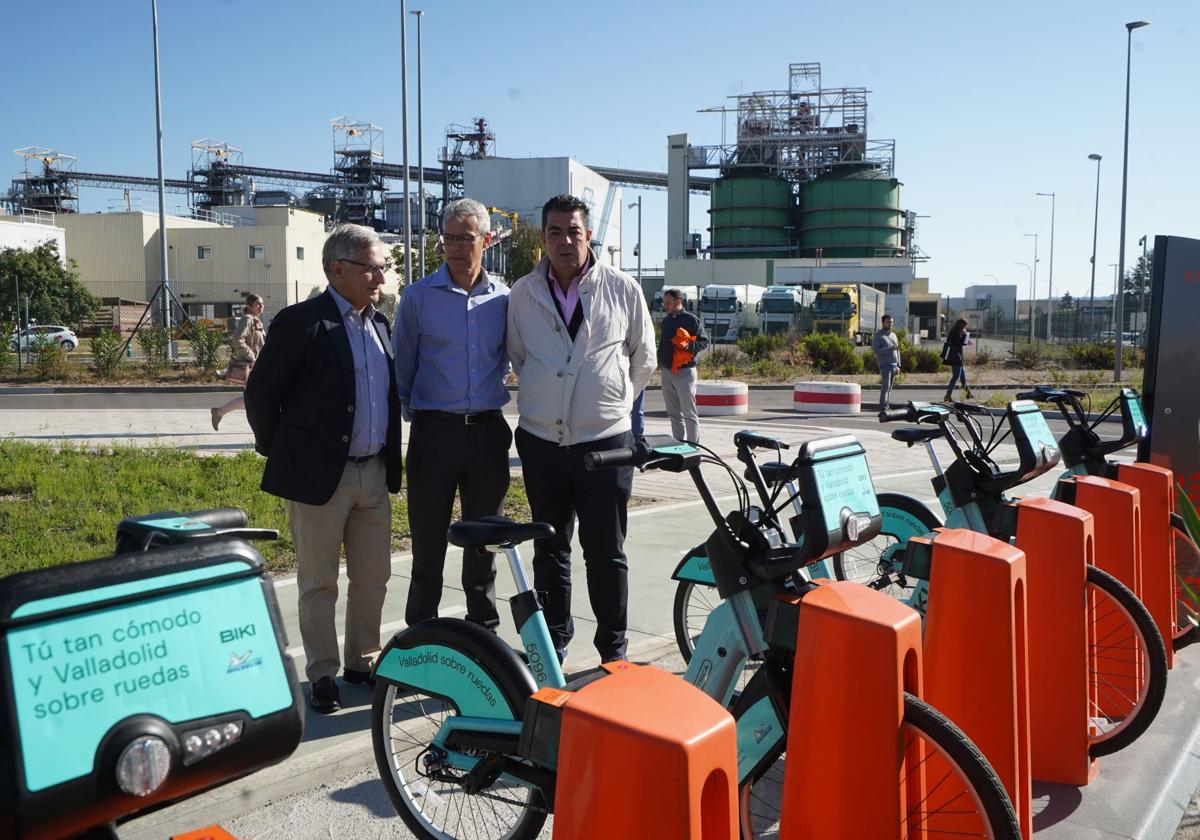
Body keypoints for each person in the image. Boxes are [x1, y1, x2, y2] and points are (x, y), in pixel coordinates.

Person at [244, 223, 404, 715]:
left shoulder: (380, 325)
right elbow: (261, 394)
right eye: (371, 267)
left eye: (382, 267)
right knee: (319, 582)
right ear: (338, 268)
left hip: (372, 474)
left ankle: (362, 661)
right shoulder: (302, 322)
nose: (380, 277)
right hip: (320, 479)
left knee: (373, 577)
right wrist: (284, 450)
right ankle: (321, 674)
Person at [507, 194, 656, 664]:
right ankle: (555, 643)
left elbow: (643, 358)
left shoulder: (622, 288)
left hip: (606, 444)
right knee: (550, 548)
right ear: (543, 239)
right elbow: (519, 357)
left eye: (574, 231)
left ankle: (613, 648)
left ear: (588, 235)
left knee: (606, 551)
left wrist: (608, 406)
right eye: (555, 232)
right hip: (542, 443)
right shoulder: (522, 294)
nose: (565, 241)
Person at [393, 198, 511, 632]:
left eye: (466, 238)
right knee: (427, 546)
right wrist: (422, 414)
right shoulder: (418, 297)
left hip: (486, 436)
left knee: (484, 545)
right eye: (449, 238)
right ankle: (421, 639)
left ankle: (485, 635)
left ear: (486, 239)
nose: (457, 247)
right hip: (434, 434)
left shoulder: (504, 298)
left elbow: (506, 358)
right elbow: (403, 364)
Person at [657, 288, 709, 443]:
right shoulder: (666, 322)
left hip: (685, 373)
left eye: (668, 303)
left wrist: (688, 345)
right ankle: (678, 444)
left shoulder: (691, 320)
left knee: (689, 414)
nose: (665, 305)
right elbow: (663, 344)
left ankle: (693, 447)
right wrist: (660, 360)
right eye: (664, 302)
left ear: (678, 302)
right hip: (667, 372)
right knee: (673, 414)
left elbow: (704, 342)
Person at [211, 294, 266, 430]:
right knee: (255, 397)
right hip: (251, 365)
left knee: (253, 397)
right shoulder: (248, 319)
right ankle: (219, 412)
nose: (261, 306)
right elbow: (237, 339)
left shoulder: (256, 320)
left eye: (262, 304)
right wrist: (252, 356)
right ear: (249, 306)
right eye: (257, 304)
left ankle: (219, 412)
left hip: (258, 365)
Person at [872, 313, 901, 413]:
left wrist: (898, 364)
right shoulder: (878, 335)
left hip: (894, 365)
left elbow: (897, 350)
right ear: (883, 322)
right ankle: (883, 407)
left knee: (890, 388)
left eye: (891, 322)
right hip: (884, 365)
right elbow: (876, 350)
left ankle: (886, 405)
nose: (890, 324)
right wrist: (889, 349)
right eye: (888, 322)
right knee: (886, 386)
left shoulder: (893, 335)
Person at [943, 318, 973, 401]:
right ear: (961, 325)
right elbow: (958, 343)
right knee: (955, 377)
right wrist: (964, 336)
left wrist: (966, 339)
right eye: (965, 326)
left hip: (958, 357)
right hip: (955, 357)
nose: (965, 328)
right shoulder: (955, 333)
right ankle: (948, 395)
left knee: (963, 378)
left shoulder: (957, 332)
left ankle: (968, 394)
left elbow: (961, 343)